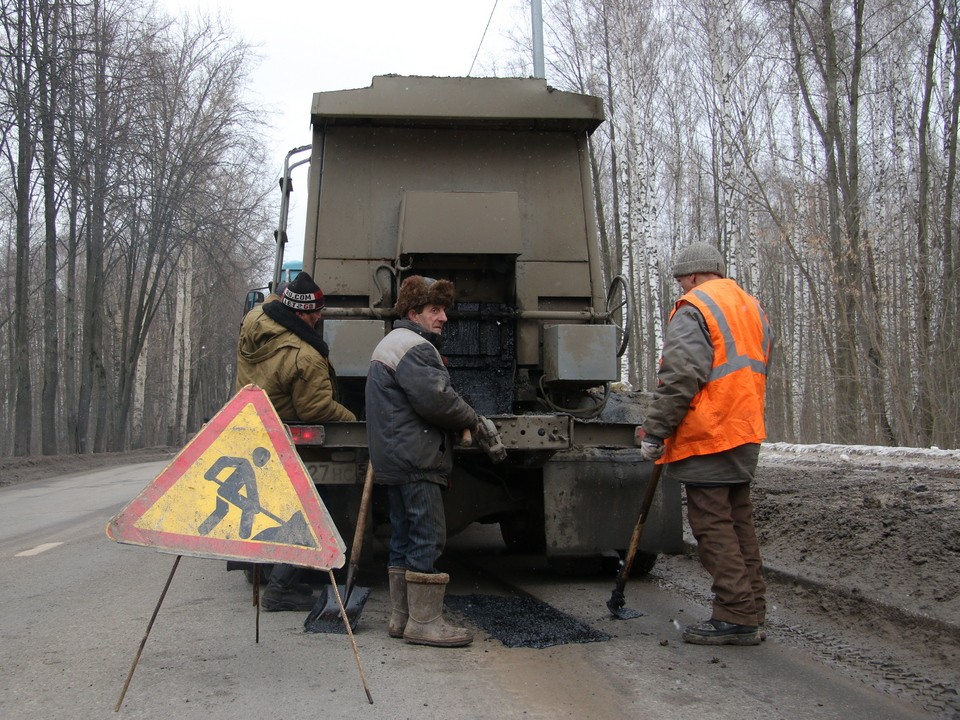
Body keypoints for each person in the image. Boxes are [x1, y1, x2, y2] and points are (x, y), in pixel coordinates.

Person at [639, 243, 773, 646]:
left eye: (681, 279)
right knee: (738, 522)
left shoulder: (695, 306)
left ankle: (735, 616)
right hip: (745, 429)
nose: (680, 287)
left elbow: (681, 375)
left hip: (709, 433)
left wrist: (657, 430)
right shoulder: (751, 307)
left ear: (694, 275)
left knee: (713, 525)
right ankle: (752, 608)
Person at [365, 275, 503, 647]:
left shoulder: (393, 342)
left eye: (443, 310)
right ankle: (424, 623)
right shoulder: (415, 348)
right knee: (428, 536)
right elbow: (437, 399)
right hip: (417, 459)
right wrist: (472, 419)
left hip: (396, 457)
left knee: (404, 536)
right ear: (413, 312)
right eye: (434, 310)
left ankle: (402, 617)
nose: (443, 318)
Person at [236, 271, 356, 611]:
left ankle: (271, 576)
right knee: (307, 510)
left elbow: (275, 299)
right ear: (302, 313)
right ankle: (279, 589)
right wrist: (355, 421)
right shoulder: (305, 356)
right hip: (288, 439)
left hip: (254, 426)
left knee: (269, 507)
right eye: (314, 312)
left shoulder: (255, 319)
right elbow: (315, 408)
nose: (319, 317)